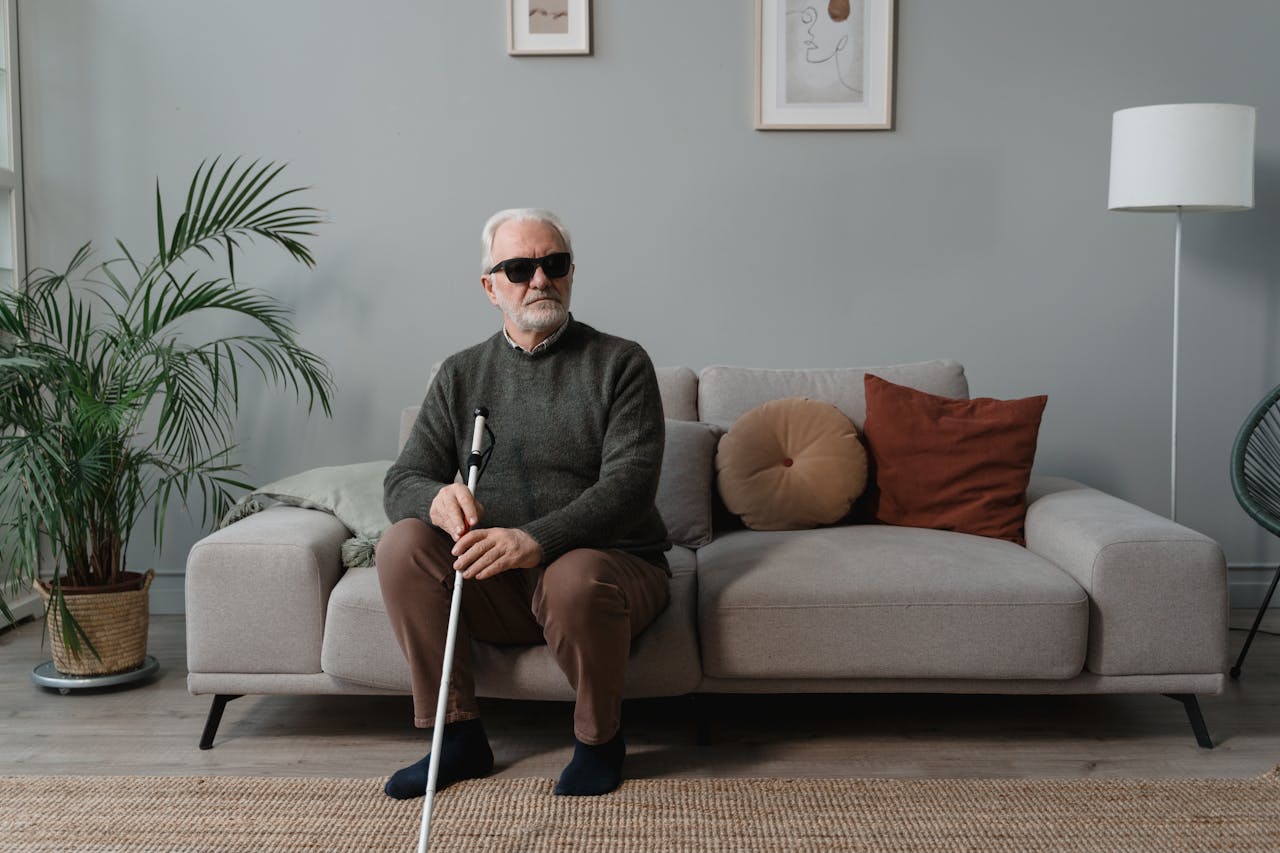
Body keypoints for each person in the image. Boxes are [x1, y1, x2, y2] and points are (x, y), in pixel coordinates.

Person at [377, 208, 671, 800]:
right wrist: (437, 500)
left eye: (553, 264)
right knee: (401, 544)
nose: (540, 279)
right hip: (499, 581)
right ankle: (455, 737)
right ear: (490, 287)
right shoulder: (461, 374)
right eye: (518, 268)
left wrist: (533, 540)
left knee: (572, 576)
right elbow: (402, 479)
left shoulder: (621, 362)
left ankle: (598, 742)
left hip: (608, 571)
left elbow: (629, 488)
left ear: (570, 273)